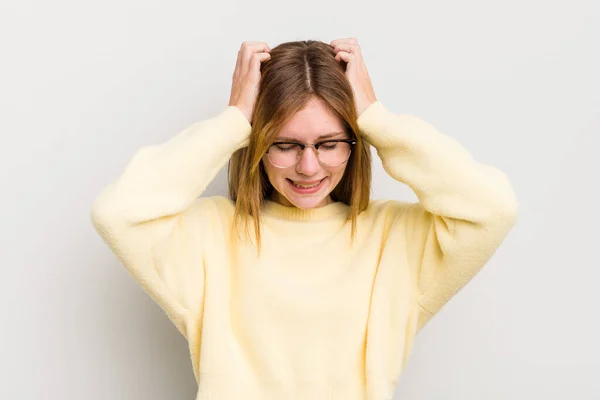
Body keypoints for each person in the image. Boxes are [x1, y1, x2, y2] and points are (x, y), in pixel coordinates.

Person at [90, 38, 519, 400]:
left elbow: (491, 208)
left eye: (329, 143)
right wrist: (234, 119)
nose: (309, 167)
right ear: (256, 144)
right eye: (285, 144)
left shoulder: (394, 240)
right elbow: (119, 214)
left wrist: (375, 117)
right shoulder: (209, 235)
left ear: (355, 143)